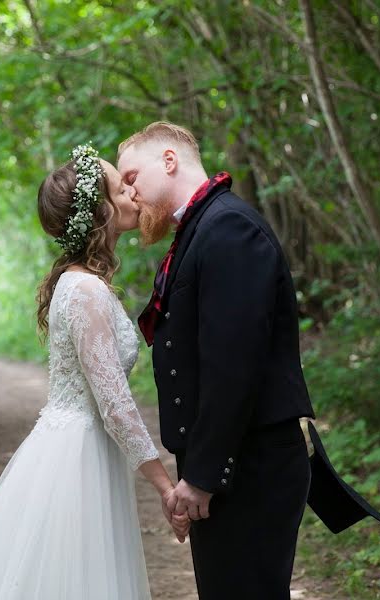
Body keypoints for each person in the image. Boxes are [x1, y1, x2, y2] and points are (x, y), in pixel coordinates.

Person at [0, 143, 190, 600]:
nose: (133, 192)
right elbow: (112, 402)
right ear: (100, 212)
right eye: (120, 187)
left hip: (80, 446)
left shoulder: (81, 284)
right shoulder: (86, 291)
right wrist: (164, 485)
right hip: (77, 456)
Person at [116, 121, 317, 599]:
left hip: (250, 467)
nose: (129, 192)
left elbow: (234, 366)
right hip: (234, 463)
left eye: (130, 176)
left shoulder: (227, 227)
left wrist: (204, 476)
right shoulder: (202, 227)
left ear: (169, 160)